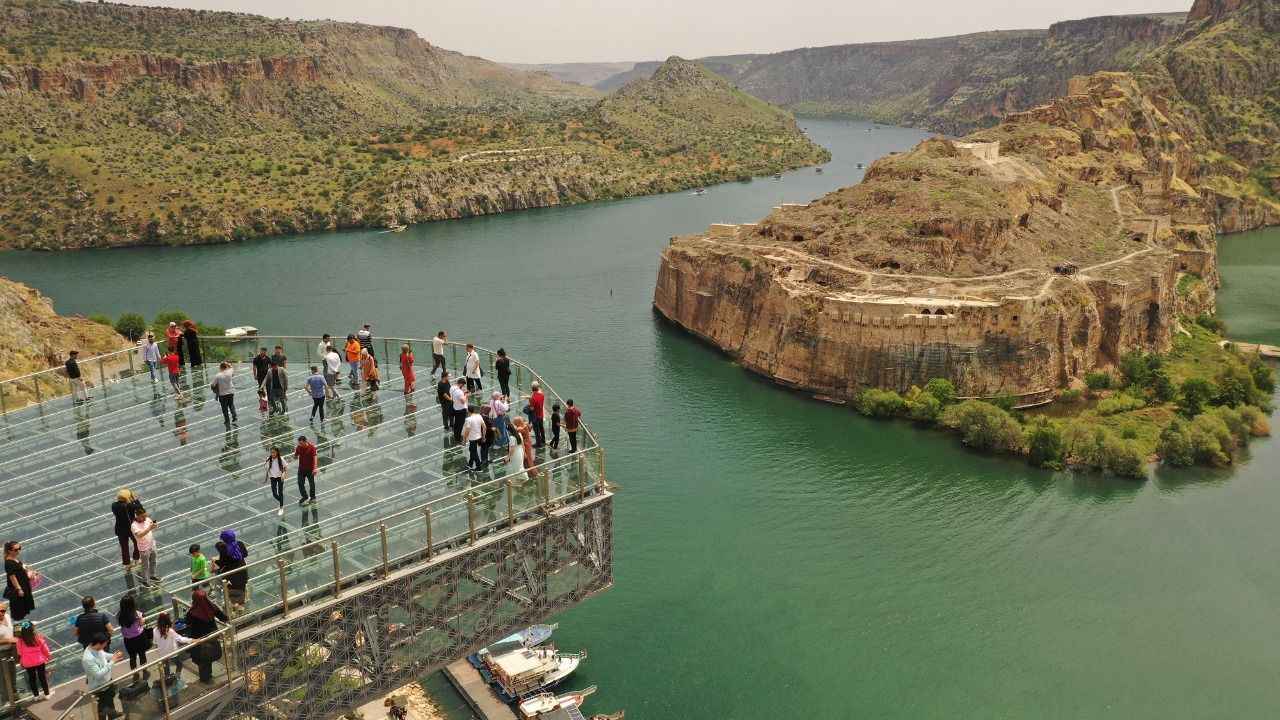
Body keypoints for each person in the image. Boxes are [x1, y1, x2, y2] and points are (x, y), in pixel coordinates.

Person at [182, 590, 226, 683]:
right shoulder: (212, 607)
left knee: (201, 659)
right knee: (208, 656)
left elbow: (187, 622)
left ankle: (205, 678)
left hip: (198, 640)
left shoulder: (192, 612)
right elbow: (223, 617)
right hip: (211, 638)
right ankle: (207, 676)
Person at [82, 634, 123, 719]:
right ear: (98, 644)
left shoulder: (96, 648)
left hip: (107, 683)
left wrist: (114, 656)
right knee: (102, 710)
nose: (105, 646)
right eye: (104, 644)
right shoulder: (88, 659)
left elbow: (103, 655)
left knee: (110, 701)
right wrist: (112, 661)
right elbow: (98, 675)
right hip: (100, 688)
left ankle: (112, 714)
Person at [213, 531, 249, 608]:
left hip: (231, 577)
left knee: (233, 597)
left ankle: (235, 611)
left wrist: (214, 560)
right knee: (241, 594)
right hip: (242, 573)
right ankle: (241, 608)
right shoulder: (240, 544)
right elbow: (245, 554)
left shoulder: (224, 550)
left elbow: (222, 563)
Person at [15, 621, 50, 698]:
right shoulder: (38, 637)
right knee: (42, 677)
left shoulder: (19, 641)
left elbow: (19, 653)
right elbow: (45, 649)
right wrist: (48, 656)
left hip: (28, 663)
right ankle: (47, 694)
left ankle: (36, 696)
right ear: (32, 629)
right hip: (39, 661)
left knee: (32, 679)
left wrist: (21, 662)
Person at [116, 595, 148, 675]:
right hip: (139, 637)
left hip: (128, 640)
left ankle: (135, 673)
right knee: (142, 654)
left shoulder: (119, 616)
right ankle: (144, 670)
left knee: (132, 657)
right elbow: (142, 623)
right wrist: (143, 620)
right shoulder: (136, 614)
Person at [3, 542, 36, 621]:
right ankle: (20, 623)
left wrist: (29, 574)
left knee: (23, 607)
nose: (18, 551)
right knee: (18, 609)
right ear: (9, 551)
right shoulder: (9, 562)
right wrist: (19, 589)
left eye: (19, 548)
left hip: (24, 584)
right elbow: (12, 577)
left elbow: (20, 572)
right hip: (18, 589)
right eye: (16, 549)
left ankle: (23, 621)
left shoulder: (15, 558)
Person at [151, 613, 190, 679]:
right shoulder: (170, 631)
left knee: (166, 670)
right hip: (173, 652)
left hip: (163, 654)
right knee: (179, 664)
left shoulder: (154, 630)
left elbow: (155, 643)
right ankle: (177, 678)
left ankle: (168, 680)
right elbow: (181, 639)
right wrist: (192, 640)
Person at [111, 490, 142, 569]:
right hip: (130, 528)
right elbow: (140, 508)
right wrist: (135, 499)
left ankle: (127, 564)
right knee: (137, 543)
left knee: (124, 547)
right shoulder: (129, 505)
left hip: (120, 529)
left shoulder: (114, 505)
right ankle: (136, 559)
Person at [131, 508, 159, 587]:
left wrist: (155, 526)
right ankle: (144, 580)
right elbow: (139, 535)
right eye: (142, 516)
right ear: (137, 516)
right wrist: (149, 528)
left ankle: (152, 575)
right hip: (144, 548)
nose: (144, 518)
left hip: (152, 545)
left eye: (145, 516)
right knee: (145, 565)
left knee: (153, 561)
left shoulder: (147, 519)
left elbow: (152, 525)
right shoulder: (134, 525)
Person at [211, 362, 237, 428]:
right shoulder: (229, 372)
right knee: (231, 405)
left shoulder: (218, 375)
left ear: (221, 367)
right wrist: (227, 364)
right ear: (226, 367)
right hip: (231, 392)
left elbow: (213, 385)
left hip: (222, 394)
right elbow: (231, 367)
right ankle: (234, 415)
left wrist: (215, 390)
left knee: (224, 408)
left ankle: (227, 420)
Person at [294, 435, 317, 505]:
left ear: (305, 441)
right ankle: (305, 496)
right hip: (301, 469)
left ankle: (313, 497)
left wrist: (315, 468)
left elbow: (315, 457)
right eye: (299, 443)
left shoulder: (311, 447)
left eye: (301, 443)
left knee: (311, 484)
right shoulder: (298, 447)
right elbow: (296, 455)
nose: (300, 445)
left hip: (310, 469)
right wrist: (294, 456)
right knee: (300, 483)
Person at [462, 407, 486, 471]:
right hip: (479, 437)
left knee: (474, 452)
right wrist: (483, 436)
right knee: (472, 450)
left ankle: (478, 467)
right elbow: (484, 427)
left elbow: (467, 430)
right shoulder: (479, 416)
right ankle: (470, 463)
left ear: (468, 411)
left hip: (472, 438)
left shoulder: (468, 419)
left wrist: (464, 440)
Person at [266, 447, 287, 516]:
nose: (272, 454)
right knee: (274, 493)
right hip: (273, 477)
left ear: (277, 452)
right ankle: (282, 501)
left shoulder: (281, 459)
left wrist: (284, 474)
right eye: (271, 452)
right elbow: (267, 468)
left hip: (280, 477)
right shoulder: (269, 459)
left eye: (274, 452)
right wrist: (269, 476)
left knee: (280, 492)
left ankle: (281, 507)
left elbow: (285, 467)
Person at [507, 418, 529, 482]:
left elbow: (512, 449)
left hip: (515, 454)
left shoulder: (512, 437)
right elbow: (522, 445)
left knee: (515, 466)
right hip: (520, 451)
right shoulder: (519, 434)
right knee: (520, 465)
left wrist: (508, 457)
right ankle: (524, 477)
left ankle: (516, 480)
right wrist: (524, 453)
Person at [528, 382, 546, 448]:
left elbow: (532, 408)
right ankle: (543, 440)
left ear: (532, 389)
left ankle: (538, 443)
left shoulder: (533, 398)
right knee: (541, 428)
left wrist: (529, 403)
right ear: (538, 388)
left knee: (536, 430)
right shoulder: (542, 395)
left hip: (535, 416)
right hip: (541, 414)